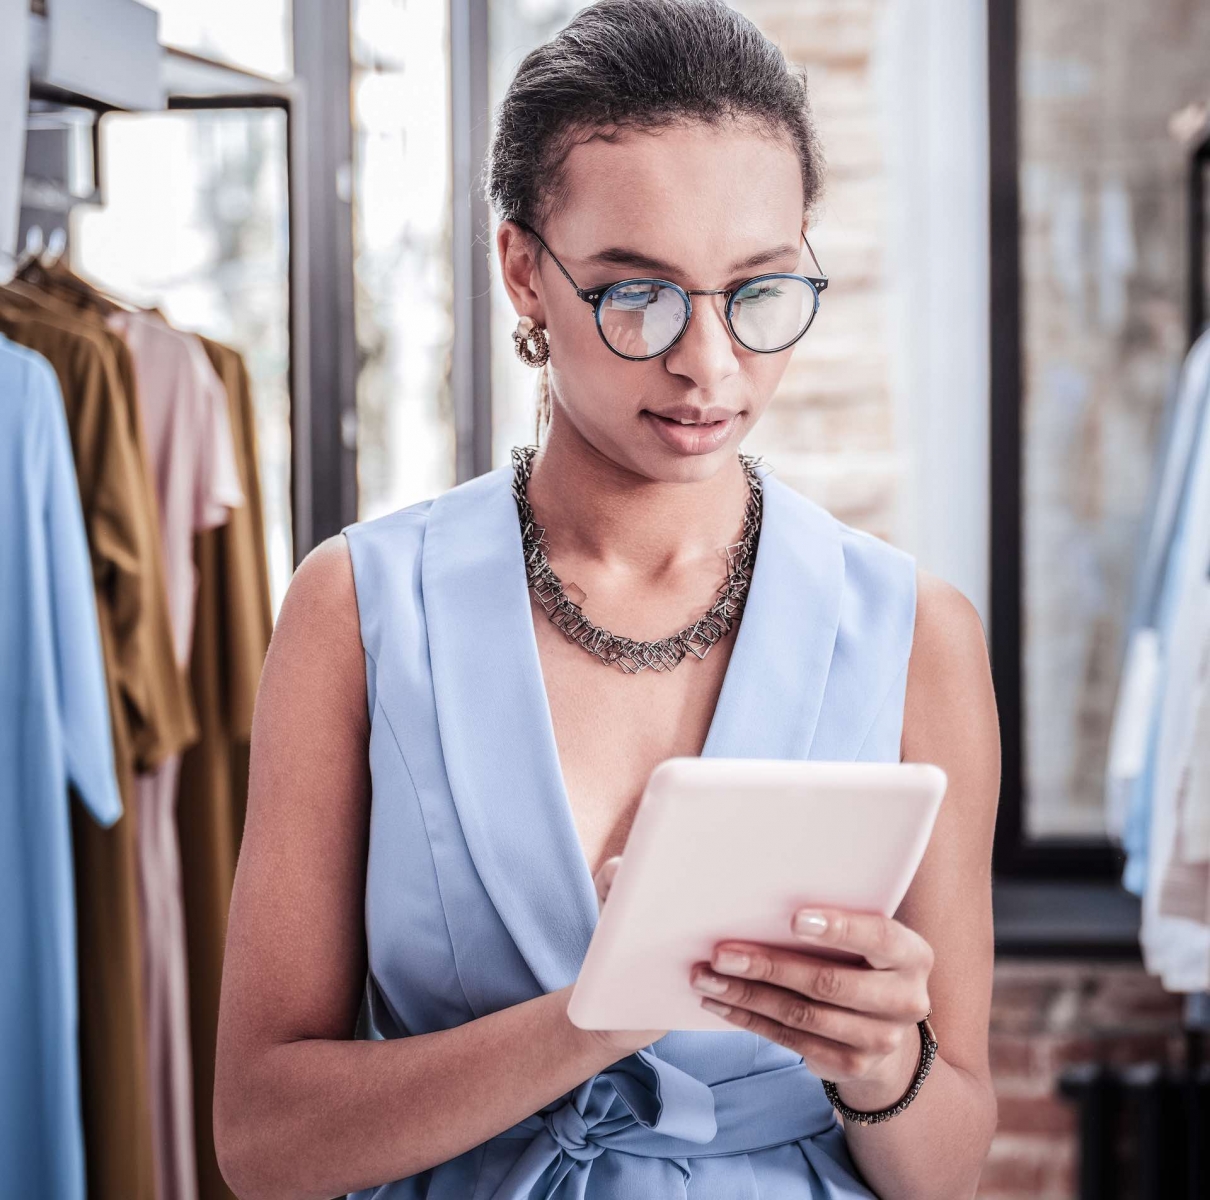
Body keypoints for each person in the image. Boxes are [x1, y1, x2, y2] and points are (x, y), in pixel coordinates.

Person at [213, 1, 1001, 1197]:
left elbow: (943, 1170)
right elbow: (263, 1143)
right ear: (523, 268)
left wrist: (887, 1059)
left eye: (760, 289)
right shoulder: (361, 610)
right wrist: (599, 1015)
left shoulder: (911, 634)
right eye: (638, 295)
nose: (709, 365)